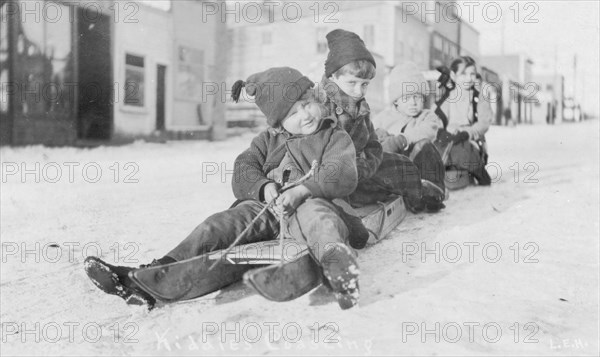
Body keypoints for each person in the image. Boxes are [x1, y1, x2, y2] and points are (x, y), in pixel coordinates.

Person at [85, 67, 363, 310]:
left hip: (310, 203)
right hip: (266, 208)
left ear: (316, 98)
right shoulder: (268, 140)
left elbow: (343, 172)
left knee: (320, 220)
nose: (305, 115)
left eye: (306, 103)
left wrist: (303, 191)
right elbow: (243, 169)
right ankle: (153, 274)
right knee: (214, 227)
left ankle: (338, 268)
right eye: (292, 113)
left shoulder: (332, 135)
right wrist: (263, 186)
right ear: (277, 122)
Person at [319, 29, 445, 210]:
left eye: (364, 85)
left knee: (401, 166)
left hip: (362, 170)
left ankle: (420, 193)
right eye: (352, 83)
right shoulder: (320, 107)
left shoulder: (360, 107)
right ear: (333, 76)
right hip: (335, 175)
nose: (358, 91)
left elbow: (372, 144)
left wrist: (372, 158)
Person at [372, 62, 446, 212]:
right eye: (406, 97)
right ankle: (410, 196)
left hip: (421, 167)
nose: (413, 102)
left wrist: (402, 139)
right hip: (399, 173)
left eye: (417, 97)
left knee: (424, 146)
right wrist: (381, 138)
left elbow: (428, 130)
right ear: (396, 101)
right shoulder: (383, 118)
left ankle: (433, 192)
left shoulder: (427, 116)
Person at [434, 56, 493, 185]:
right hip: (449, 138)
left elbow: (484, 122)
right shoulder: (448, 96)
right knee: (433, 150)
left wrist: (467, 133)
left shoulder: (478, 97)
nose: (468, 78)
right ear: (454, 76)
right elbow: (436, 119)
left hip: (469, 139)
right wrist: (441, 132)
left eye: (472, 74)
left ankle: (479, 171)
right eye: (463, 74)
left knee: (463, 151)